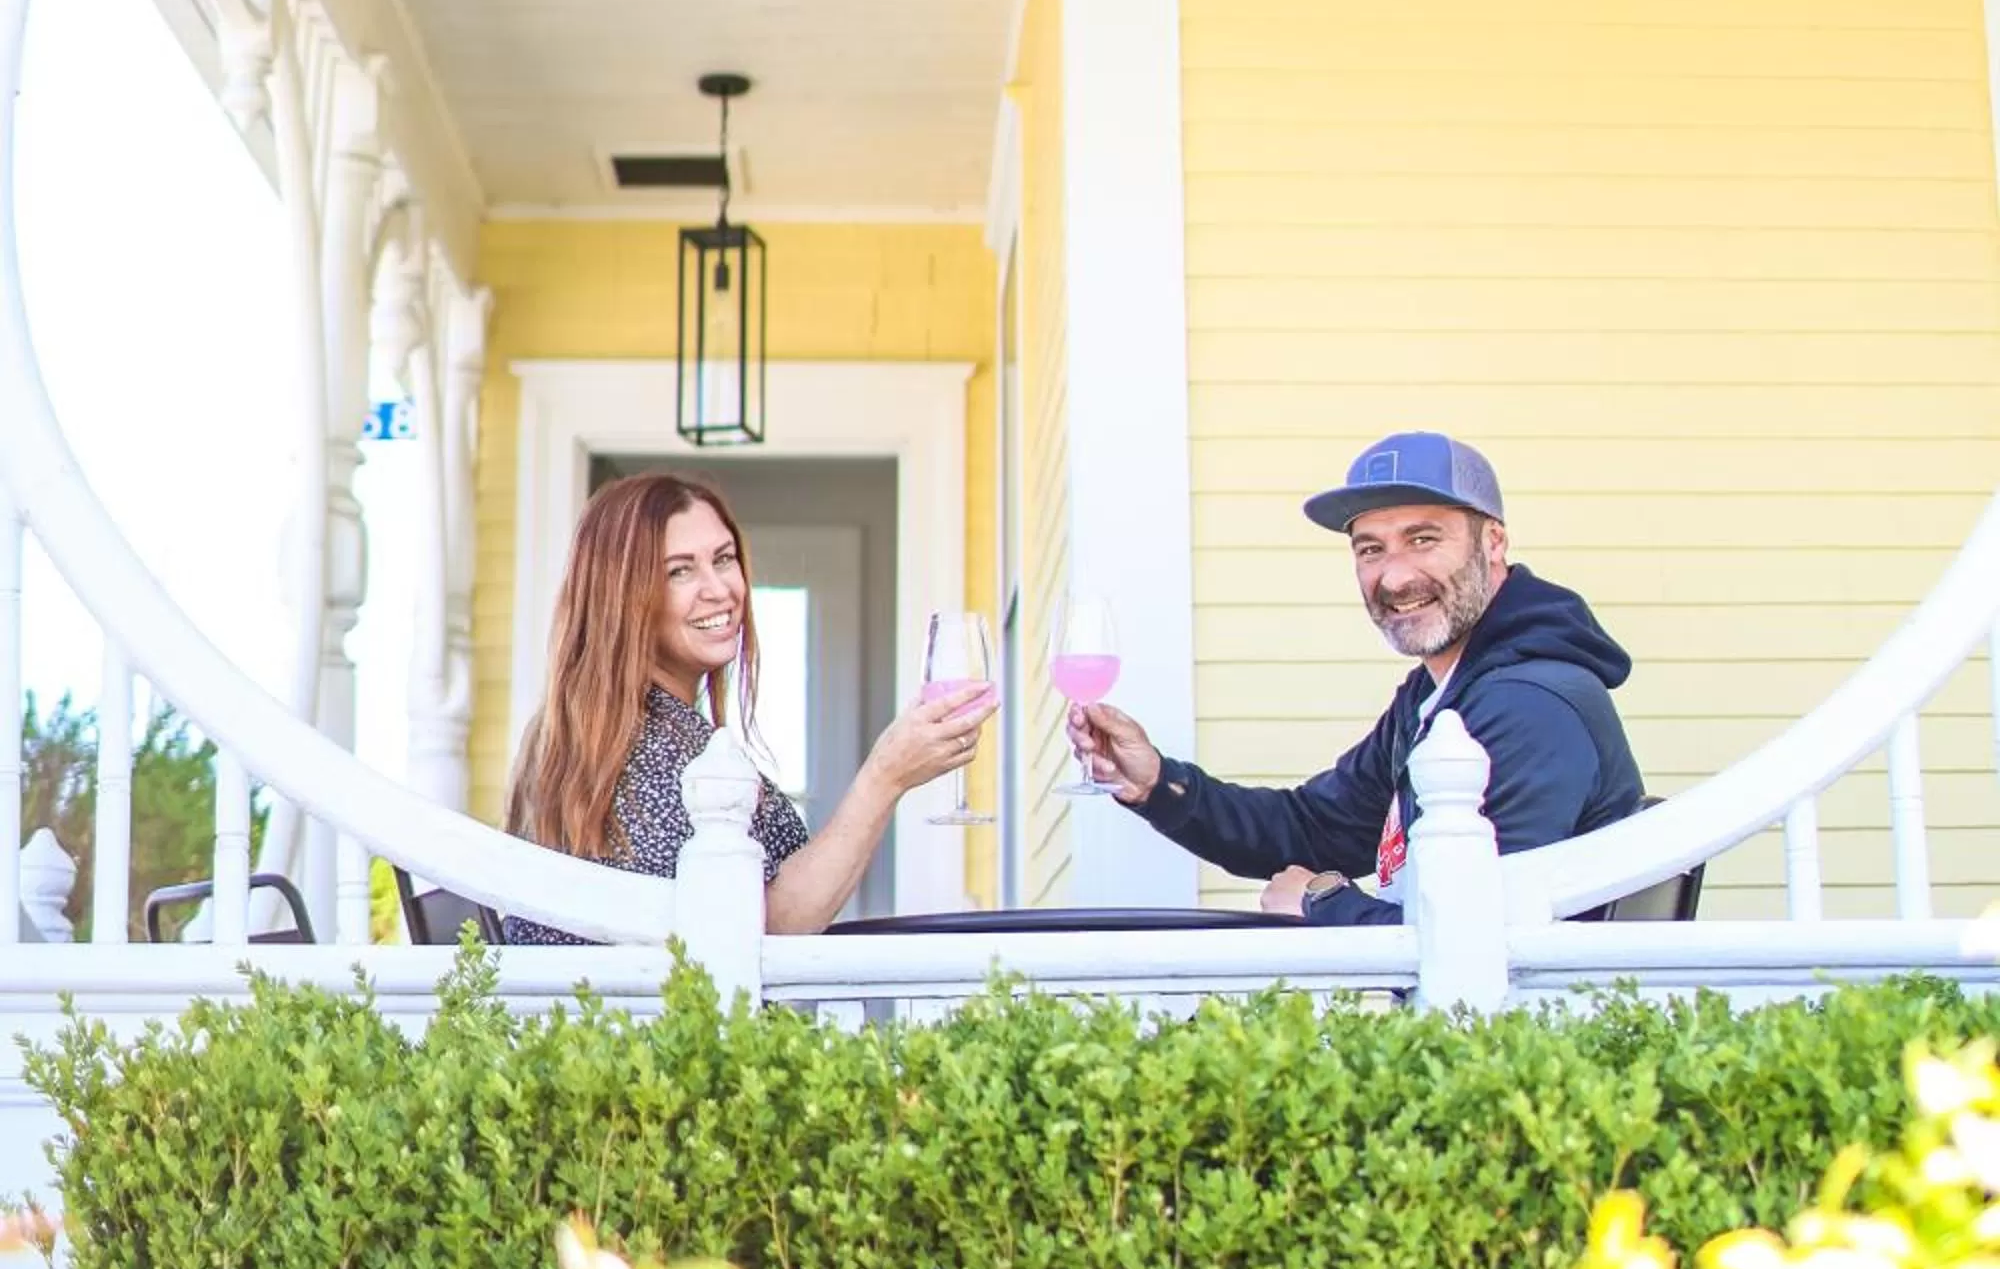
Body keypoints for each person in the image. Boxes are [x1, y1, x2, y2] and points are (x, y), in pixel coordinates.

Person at [1065, 432, 1642, 924]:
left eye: (1423, 539)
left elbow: (1481, 936)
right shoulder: (1440, 695)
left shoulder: (1527, 705)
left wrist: (1321, 904)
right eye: (1371, 549)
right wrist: (1155, 782)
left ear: (1493, 542)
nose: (1394, 577)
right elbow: (1312, 827)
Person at [502, 470, 994, 941]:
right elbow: (757, 934)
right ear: (621, 598)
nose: (719, 590)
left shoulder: (632, 732)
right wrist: (885, 776)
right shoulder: (639, 751)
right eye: (679, 571)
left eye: (723, 559)